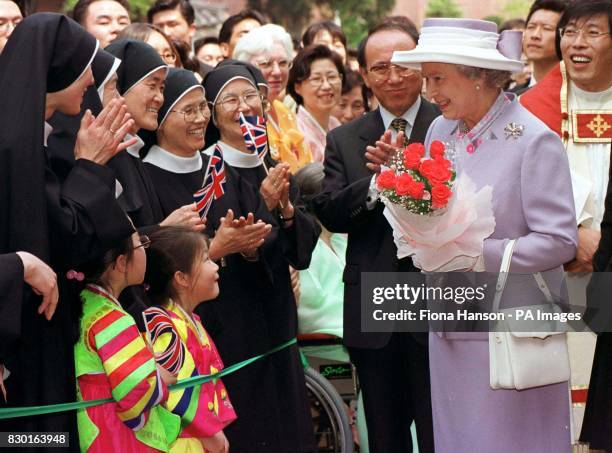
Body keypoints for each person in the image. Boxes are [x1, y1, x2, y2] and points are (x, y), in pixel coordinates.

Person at [392, 17, 578, 452]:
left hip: (513, 330)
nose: (429, 92)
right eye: (426, 79)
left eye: (438, 78)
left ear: (478, 77)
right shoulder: (441, 131)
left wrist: (480, 254)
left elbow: (559, 240)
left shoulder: (533, 140)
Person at [0, 12, 134, 447]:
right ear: (56, 70)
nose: (92, 78)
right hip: (20, 345)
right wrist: (90, 168)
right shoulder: (13, 147)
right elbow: (63, 238)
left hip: (38, 335)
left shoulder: (29, 139)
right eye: (85, 67)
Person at [312, 19, 439, 453]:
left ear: (421, 66)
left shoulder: (450, 127)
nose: (394, 77)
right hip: (375, 297)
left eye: (404, 65)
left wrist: (414, 173)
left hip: (437, 293)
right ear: (364, 76)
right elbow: (329, 209)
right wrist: (378, 182)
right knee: (386, 432)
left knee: (442, 426)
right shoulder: (346, 139)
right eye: (381, 68)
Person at [199, 63, 319, 452]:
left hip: (279, 319)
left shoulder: (273, 163)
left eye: (250, 96)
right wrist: (264, 205)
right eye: (230, 100)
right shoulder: (207, 170)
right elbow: (230, 240)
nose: (243, 107)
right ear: (213, 114)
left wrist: (285, 210)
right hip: (234, 320)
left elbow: (301, 253)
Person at [72, 226, 176, 452]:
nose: (145, 248)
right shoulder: (112, 317)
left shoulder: (85, 303)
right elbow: (134, 390)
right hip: (116, 435)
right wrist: (161, 380)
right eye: (141, 242)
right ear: (121, 262)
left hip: (94, 427)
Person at [143, 226, 237, 453]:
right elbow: (177, 391)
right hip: (180, 442)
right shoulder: (164, 325)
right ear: (181, 278)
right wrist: (209, 431)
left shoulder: (188, 320)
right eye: (206, 259)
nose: (215, 266)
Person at [233, 23, 313, 172]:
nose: (276, 71)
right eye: (266, 63)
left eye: (283, 63)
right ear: (245, 67)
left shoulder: (284, 111)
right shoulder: (243, 116)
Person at [288, 45, 345, 162]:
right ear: (298, 87)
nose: (326, 86)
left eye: (332, 77)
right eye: (316, 79)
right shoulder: (294, 131)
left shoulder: (336, 124)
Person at [517, 0, 567, 94]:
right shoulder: (510, 98)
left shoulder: (574, 98)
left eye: (547, 28)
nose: (535, 35)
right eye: (531, 27)